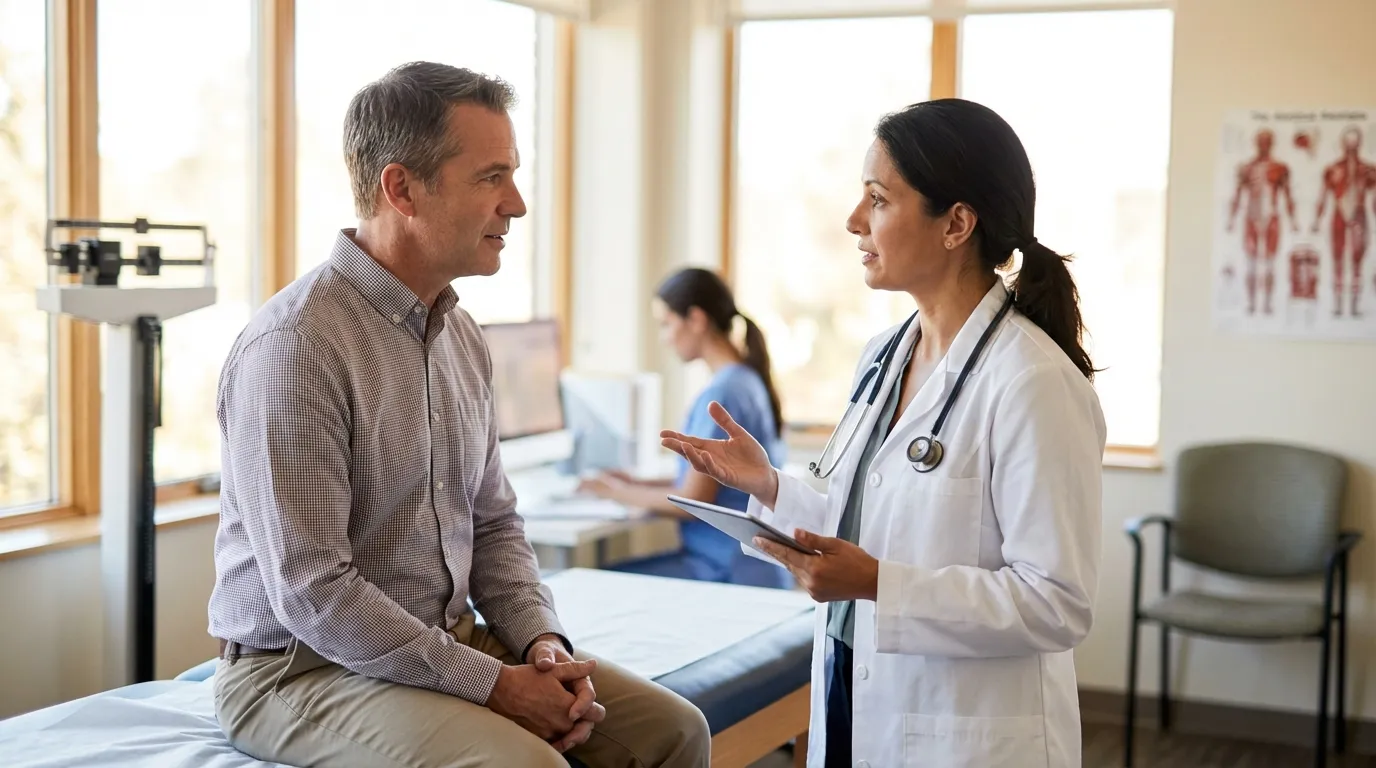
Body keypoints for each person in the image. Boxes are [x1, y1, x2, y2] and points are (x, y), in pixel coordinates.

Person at [208, 61, 709, 768]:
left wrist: (541, 645)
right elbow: (314, 592)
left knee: (675, 731)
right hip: (301, 669)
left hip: (444, 637)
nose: (518, 204)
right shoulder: (296, 347)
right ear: (401, 187)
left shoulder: (461, 336)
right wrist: (494, 687)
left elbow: (495, 523)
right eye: (491, 177)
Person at [661, 98, 1107, 768]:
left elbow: (1056, 603)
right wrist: (771, 485)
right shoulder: (885, 353)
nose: (852, 221)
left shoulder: (1033, 380)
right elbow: (865, 507)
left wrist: (880, 585)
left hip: (965, 732)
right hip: (854, 686)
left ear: (956, 223)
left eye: (878, 199)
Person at [577, 268, 791, 589]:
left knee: (597, 582)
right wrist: (637, 482)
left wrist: (616, 492)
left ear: (696, 319)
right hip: (749, 565)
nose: (664, 338)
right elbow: (712, 480)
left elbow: (695, 499)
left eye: (666, 324)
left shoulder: (723, 394)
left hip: (726, 568)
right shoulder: (745, 379)